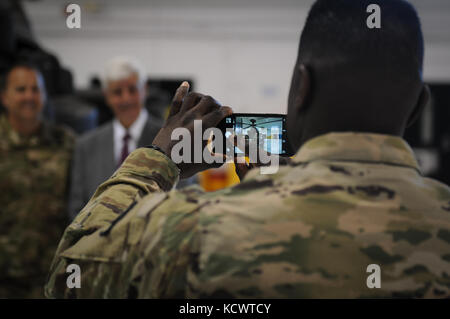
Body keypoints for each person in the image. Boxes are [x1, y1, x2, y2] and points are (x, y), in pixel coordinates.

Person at [46, 0, 450, 298]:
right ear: (418, 107)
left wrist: (157, 162)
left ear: (301, 87)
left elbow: (70, 276)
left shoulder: (196, 228)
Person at [0, 63, 74, 298]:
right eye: (21, 89)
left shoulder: (66, 142)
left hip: (52, 276)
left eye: (35, 89)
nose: (29, 96)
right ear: (5, 97)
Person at [68, 56, 163, 220]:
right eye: (118, 92)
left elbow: (185, 200)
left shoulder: (171, 140)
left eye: (132, 90)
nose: (126, 98)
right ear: (107, 96)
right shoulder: (86, 146)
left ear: (144, 90)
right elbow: (76, 209)